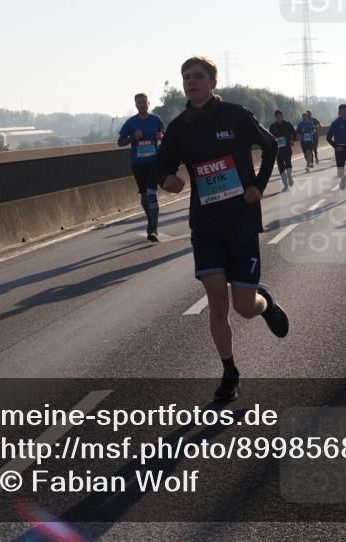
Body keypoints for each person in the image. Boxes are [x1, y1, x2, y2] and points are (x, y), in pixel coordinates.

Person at [157, 56, 288, 402]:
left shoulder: (235, 115)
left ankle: (265, 303)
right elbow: (162, 163)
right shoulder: (179, 127)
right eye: (186, 77)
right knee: (217, 301)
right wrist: (167, 178)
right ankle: (229, 373)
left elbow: (271, 145)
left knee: (243, 306)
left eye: (198, 76)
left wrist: (258, 185)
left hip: (241, 219)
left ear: (213, 83)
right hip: (205, 225)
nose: (191, 82)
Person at [117, 93, 166, 242]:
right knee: (144, 196)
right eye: (139, 103)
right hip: (138, 164)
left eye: (144, 102)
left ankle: (153, 229)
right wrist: (133, 138)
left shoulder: (156, 119)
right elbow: (120, 142)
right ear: (136, 105)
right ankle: (151, 221)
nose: (142, 105)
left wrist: (161, 137)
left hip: (153, 162)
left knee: (151, 193)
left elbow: (164, 135)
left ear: (148, 103)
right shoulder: (131, 122)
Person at [269, 110, 297, 191]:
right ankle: (285, 185)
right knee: (281, 167)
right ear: (275, 118)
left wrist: (293, 140)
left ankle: (289, 177)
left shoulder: (288, 124)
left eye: (279, 117)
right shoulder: (272, 126)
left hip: (287, 148)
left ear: (282, 116)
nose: (278, 119)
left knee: (288, 163)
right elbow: (269, 137)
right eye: (277, 118)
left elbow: (294, 133)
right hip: (278, 151)